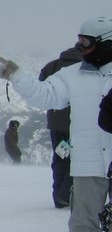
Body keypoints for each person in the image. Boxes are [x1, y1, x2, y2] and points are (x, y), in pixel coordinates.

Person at [0, 17, 112, 232]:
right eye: (79, 40)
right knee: (83, 214)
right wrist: (17, 75)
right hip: (88, 159)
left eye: (87, 41)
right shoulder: (71, 75)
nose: (80, 46)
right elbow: (45, 95)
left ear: (105, 43)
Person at [40, 46, 83, 207]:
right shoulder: (85, 68)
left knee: (60, 157)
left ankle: (58, 195)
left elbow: (42, 89)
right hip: (77, 122)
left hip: (56, 123)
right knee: (78, 159)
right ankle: (66, 194)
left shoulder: (52, 66)